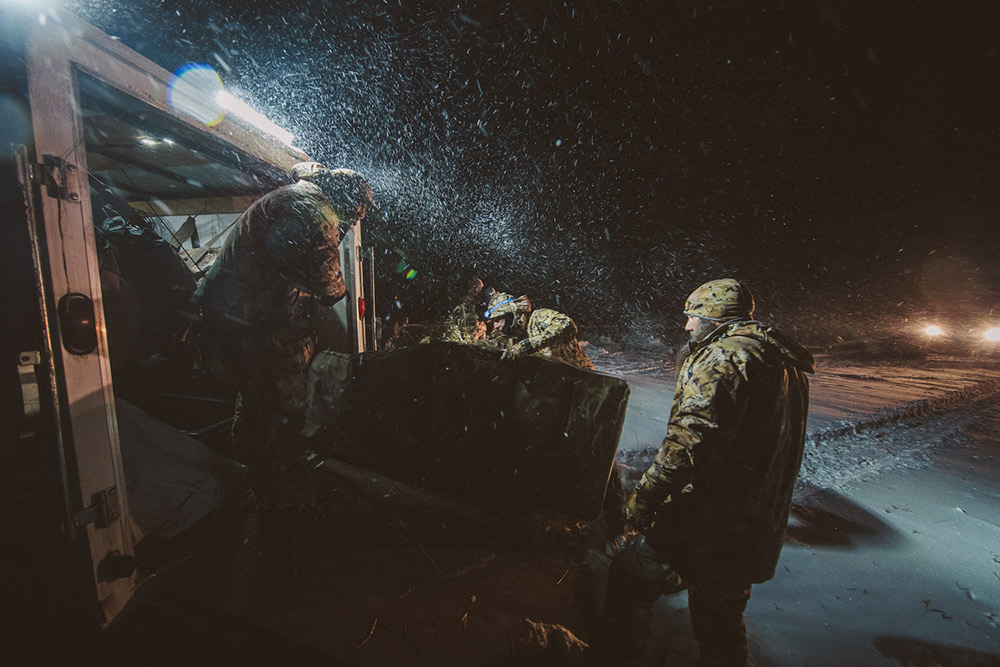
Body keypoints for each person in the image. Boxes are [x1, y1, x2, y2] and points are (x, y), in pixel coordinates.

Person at [603, 278, 814, 666]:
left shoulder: (725, 358)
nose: (687, 326)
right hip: (752, 525)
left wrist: (645, 498)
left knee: (631, 576)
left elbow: (690, 441)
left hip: (708, 522)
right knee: (720, 618)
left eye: (693, 317)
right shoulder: (782, 360)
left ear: (715, 318)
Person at [194, 162, 373, 475]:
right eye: (360, 206)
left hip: (231, 310)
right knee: (282, 403)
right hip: (250, 320)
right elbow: (331, 289)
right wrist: (338, 236)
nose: (362, 214)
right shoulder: (318, 215)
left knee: (255, 395)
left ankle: (253, 463)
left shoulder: (305, 192)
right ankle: (274, 473)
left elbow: (302, 168)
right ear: (344, 197)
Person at [481, 291, 595, 370]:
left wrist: (530, 344)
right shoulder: (515, 337)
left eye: (498, 320)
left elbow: (568, 326)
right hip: (557, 381)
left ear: (510, 314)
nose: (496, 326)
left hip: (583, 378)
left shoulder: (539, 317)